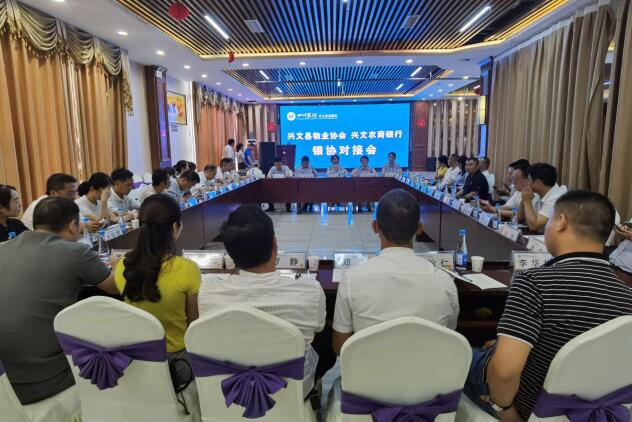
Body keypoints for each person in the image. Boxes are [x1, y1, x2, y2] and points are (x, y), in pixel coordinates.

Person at [464, 190, 632, 421]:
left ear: (560, 222)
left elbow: (504, 371)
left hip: (529, 406)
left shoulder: (534, 282)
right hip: (592, 406)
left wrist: (506, 411)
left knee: (458, 356)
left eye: (550, 219)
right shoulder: (627, 295)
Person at [197, 205, 326, 394]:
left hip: (229, 391)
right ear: (275, 243)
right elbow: (320, 327)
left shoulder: (208, 290)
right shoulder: (310, 291)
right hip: (292, 392)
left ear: (230, 252)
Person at [0, 197, 117, 405]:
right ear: (72, 226)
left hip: (5, 383)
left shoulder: (3, 247)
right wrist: (117, 266)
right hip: (44, 382)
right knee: (113, 351)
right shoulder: (75, 252)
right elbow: (116, 287)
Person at [332, 189, 459, 354]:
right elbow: (450, 334)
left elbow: (340, 347)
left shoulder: (352, 280)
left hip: (370, 370)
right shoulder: (444, 282)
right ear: (420, 228)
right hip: (429, 369)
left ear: (375, 227)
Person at [115, 194, 200, 388]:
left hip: (136, 362)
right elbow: (193, 323)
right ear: (175, 227)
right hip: (177, 364)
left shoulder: (122, 266)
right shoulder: (187, 269)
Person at [521, 163, 567, 232]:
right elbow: (520, 218)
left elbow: (534, 226)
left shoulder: (556, 198)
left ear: (538, 182)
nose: (527, 183)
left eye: (529, 180)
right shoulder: (539, 192)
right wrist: (524, 198)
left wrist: (527, 201)